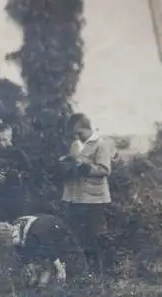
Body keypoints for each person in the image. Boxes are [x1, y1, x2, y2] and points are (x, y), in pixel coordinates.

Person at [59, 113, 114, 276]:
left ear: (88, 129)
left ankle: (105, 269)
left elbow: (104, 169)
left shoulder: (101, 145)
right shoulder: (76, 145)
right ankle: (85, 269)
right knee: (80, 234)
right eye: (75, 134)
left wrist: (80, 164)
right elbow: (73, 163)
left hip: (93, 198)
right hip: (76, 197)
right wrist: (66, 162)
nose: (77, 137)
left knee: (96, 233)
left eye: (80, 133)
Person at [0, 215, 86, 288]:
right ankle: (42, 271)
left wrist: (60, 270)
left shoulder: (36, 230)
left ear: (13, 234)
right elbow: (24, 250)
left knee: (73, 272)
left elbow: (50, 249)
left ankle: (55, 269)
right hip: (42, 244)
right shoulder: (17, 226)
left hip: (62, 242)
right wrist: (31, 268)